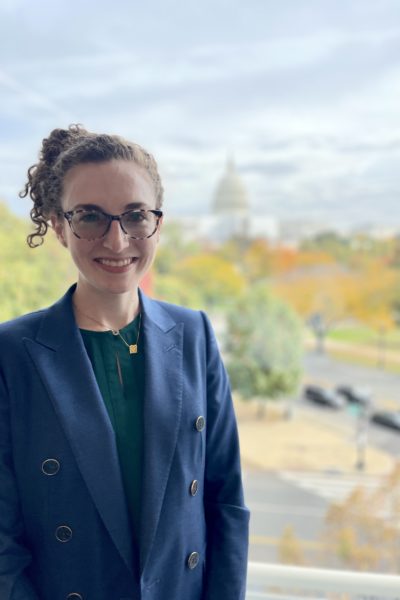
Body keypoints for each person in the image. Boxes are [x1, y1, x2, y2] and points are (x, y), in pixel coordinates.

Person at [0, 125, 249, 600]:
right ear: (58, 225)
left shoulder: (195, 334)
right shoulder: (11, 353)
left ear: (158, 221)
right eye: (90, 217)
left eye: (135, 216)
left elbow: (226, 503)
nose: (117, 241)